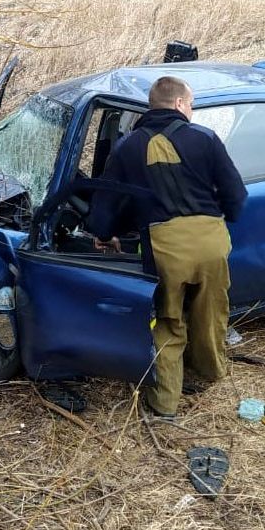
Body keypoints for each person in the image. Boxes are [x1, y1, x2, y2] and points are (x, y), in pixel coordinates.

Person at [87, 76, 247, 421]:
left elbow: (108, 200)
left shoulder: (128, 146)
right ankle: (210, 373)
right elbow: (236, 194)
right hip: (211, 240)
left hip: (164, 246)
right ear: (178, 104)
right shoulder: (204, 138)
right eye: (190, 104)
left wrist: (104, 232)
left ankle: (164, 405)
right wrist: (225, 217)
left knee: (167, 322)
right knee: (211, 313)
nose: (191, 110)